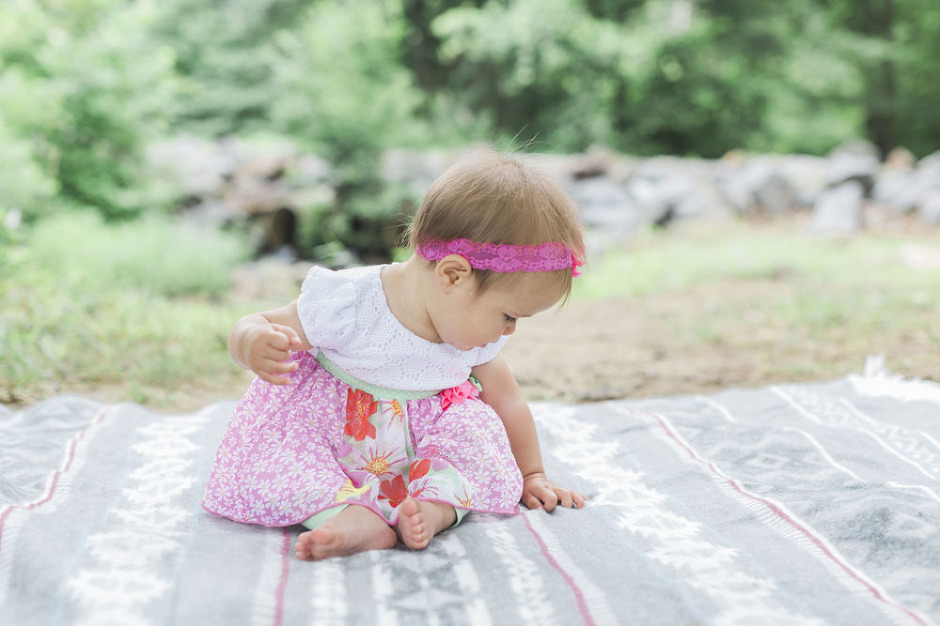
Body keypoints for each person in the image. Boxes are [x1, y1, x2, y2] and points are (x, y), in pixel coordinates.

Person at [202, 150, 587, 561]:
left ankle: (434, 508)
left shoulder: (475, 340)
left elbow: (508, 401)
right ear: (452, 276)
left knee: (475, 433)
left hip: (420, 456)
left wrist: (531, 474)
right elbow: (257, 321)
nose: (509, 330)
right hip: (332, 443)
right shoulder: (350, 301)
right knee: (278, 449)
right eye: (508, 315)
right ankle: (346, 514)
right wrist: (253, 340)